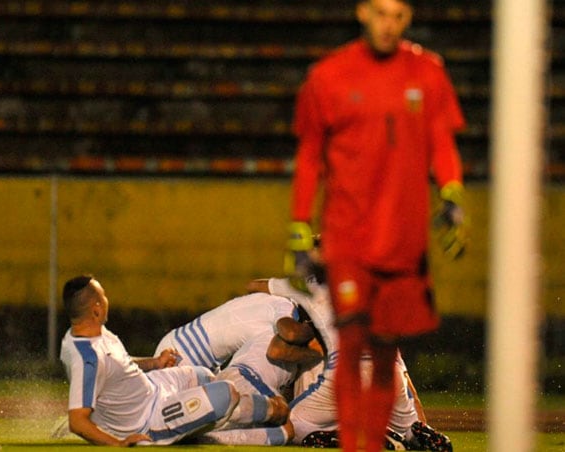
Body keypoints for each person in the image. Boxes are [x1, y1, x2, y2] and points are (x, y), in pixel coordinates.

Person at [283, 1, 467, 451]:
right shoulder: (329, 76)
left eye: (400, 15)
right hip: (348, 240)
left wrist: (452, 193)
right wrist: (299, 227)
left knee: (386, 355)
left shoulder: (426, 71)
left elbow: (442, 143)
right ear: (363, 12)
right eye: (382, 13)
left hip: (403, 241)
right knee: (351, 345)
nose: (390, 24)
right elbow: (309, 159)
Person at [203, 277, 452, 451]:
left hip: (346, 370)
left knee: (290, 425)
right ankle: (414, 434)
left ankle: (340, 437)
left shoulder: (310, 283)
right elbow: (406, 380)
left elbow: (256, 287)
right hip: (390, 371)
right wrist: (421, 423)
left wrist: (267, 306)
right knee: (409, 430)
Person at [59, 275, 240, 446]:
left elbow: (118, 365)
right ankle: (168, 434)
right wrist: (117, 443)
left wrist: (155, 363)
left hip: (155, 386)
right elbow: (77, 421)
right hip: (148, 419)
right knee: (228, 394)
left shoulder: (93, 333)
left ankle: (190, 425)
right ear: (96, 310)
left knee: (206, 376)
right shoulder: (87, 359)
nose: (108, 300)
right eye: (103, 296)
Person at [153, 291, 302, 372]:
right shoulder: (287, 309)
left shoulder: (270, 299)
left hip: (179, 343)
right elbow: (291, 334)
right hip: (185, 358)